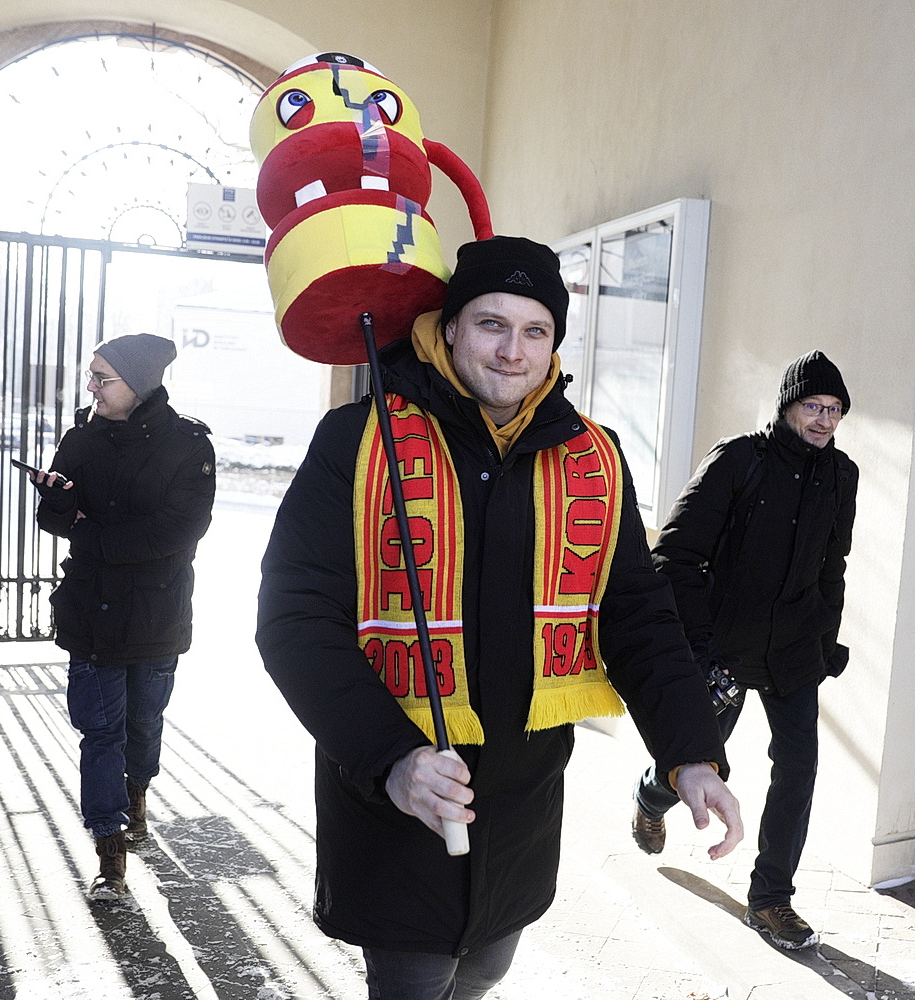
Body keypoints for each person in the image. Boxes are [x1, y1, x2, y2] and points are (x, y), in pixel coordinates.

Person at [257, 236, 743, 1000]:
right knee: (415, 978)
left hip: (520, 802)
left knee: (485, 969)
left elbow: (637, 615)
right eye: (491, 324)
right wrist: (392, 759)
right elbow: (295, 618)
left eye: (534, 330)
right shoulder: (360, 440)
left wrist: (691, 753)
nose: (513, 351)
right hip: (404, 793)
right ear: (450, 327)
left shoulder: (593, 457)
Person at [630, 349, 858, 950]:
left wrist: (825, 642)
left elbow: (832, 566)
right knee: (698, 755)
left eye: (835, 409)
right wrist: (699, 647)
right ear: (787, 406)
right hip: (725, 650)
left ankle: (772, 898)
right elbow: (675, 555)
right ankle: (651, 796)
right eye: (813, 406)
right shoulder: (739, 460)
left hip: (794, 653)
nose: (824, 420)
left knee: (798, 768)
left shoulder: (842, 475)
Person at [30, 333, 215, 900]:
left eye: (102, 378)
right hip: (90, 610)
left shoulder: (188, 445)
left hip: (157, 611)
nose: (91, 387)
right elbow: (52, 520)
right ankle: (109, 848)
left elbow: (179, 531)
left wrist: (90, 534)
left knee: (143, 722)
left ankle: (137, 792)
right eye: (91, 375)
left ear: (138, 383)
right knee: (99, 731)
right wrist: (59, 501)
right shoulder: (79, 439)